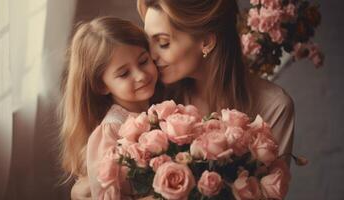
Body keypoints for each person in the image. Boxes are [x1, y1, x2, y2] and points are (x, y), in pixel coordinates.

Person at [71, 0, 295, 198]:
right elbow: (102, 174)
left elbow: (268, 192)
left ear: (206, 41)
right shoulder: (153, 93)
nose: (152, 57)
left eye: (164, 43)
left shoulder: (274, 106)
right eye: (149, 43)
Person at [60, 16, 158, 199]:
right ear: (101, 86)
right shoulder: (111, 131)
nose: (140, 76)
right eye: (123, 73)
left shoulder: (162, 108)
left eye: (144, 61)